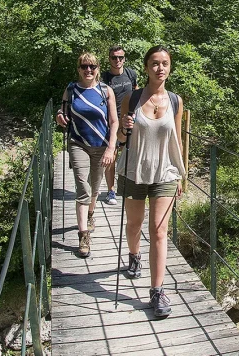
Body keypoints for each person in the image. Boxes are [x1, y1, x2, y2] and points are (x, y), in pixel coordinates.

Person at [117, 45, 185, 318]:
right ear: (146, 68)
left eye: (165, 63)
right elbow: (121, 141)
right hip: (135, 170)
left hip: (165, 173)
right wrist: (123, 129)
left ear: (170, 67)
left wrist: (180, 174)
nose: (160, 68)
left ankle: (157, 291)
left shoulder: (176, 101)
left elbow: (177, 141)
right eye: (155, 63)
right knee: (134, 225)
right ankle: (134, 256)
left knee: (158, 230)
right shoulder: (131, 100)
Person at [56, 52, 119, 258]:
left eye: (92, 66)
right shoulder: (71, 89)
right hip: (78, 144)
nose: (88, 70)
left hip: (101, 145)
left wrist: (111, 148)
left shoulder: (105, 91)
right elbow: (63, 111)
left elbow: (114, 122)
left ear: (98, 68)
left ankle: (91, 213)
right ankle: (83, 235)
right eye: (84, 66)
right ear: (79, 69)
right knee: (82, 187)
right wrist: (59, 116)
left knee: (94, 186)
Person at [101, 45, 138, 206]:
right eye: (114, 57)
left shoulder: (131, 74)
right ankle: (111, 190)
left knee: (131, 154)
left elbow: (137, 92)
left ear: (124, 59)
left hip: (130, 120)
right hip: (112, 123)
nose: (117, 60)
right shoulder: (104, 78)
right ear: (109, 59)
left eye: (120, 57)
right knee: (112, 156)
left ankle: (130, 187)